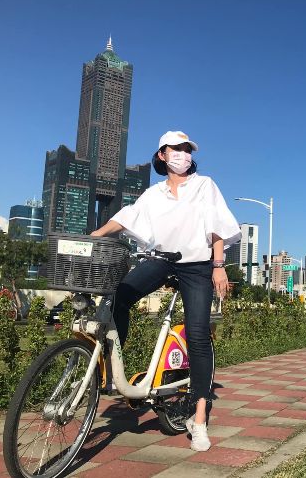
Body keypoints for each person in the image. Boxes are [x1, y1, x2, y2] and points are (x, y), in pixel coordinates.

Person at [91, 130, 241, 451]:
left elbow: (217, 225)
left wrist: (218, 265)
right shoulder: (154, 193)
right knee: (119, 297)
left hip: (197, 265)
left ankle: (198, 418)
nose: (183, 154)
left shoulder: (204, 185)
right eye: (176, 149)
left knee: (197, 334)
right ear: (162, 154)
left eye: (187, 150)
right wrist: (97, 235)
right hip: (161, 261)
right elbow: (128, 217)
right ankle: (113, 366)